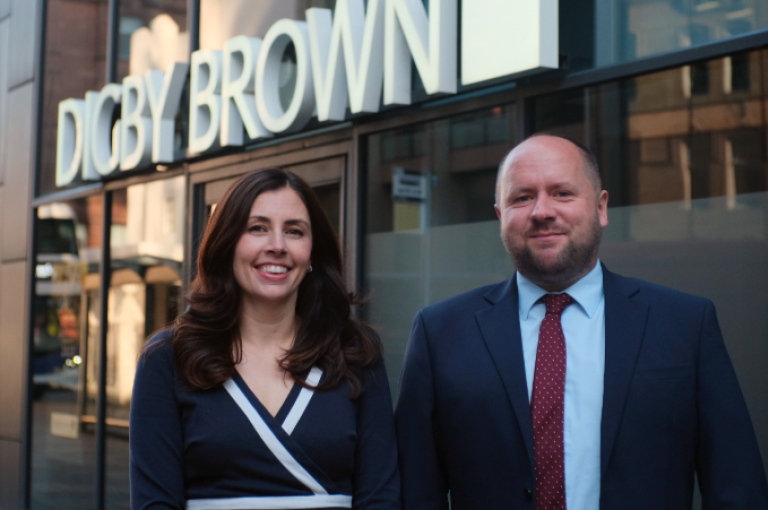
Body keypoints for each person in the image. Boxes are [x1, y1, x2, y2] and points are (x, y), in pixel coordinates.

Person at [395, 134, 768, 510]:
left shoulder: (685, 325)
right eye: (522, 197)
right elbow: (415, 491)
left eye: (562, 193)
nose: (541, 211)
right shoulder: (439, 333)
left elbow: (735, 485)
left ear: (602, 208)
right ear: (500, 216)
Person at [130, 169, 400, 510]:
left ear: (313, 251)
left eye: (294, 231)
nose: (277, 246)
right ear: (227, 244)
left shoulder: (355, 352)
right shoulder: (169, 358)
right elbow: (155, 503)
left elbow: (381, 499)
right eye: (257, 228)